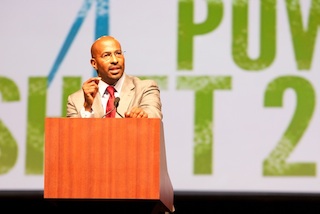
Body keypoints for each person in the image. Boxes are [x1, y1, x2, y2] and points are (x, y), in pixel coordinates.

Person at [66, 35, 162, 119]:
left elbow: (154, 114)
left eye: (118, 53)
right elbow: (73, 135)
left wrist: (142, 116)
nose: (115, 60)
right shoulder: (76, 100)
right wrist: (87, 107)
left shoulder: (145, 88)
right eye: (106, 55)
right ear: (94, 63)